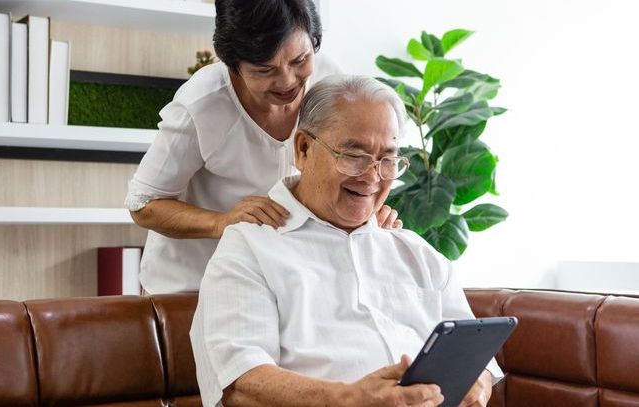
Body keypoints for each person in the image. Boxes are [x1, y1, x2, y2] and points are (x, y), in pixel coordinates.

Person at [190, 75, 501, 407]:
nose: (372, 176)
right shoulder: (250, 247)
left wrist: (477, 387)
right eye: (354, 155)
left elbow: (475, 353)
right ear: (303, 149)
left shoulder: (415, 252)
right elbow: (239, 384)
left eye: (388, 160)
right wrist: (349, 399)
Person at [124, 0, 400, 295]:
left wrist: (366, 210)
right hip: (190, 288)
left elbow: (354, 160)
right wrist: (222, 222)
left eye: (299, 60)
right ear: (233, 64)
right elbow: (144, 204)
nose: (287, 81)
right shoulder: (202, 104)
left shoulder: (329, 83)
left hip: (279, 284)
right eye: (265, 69)